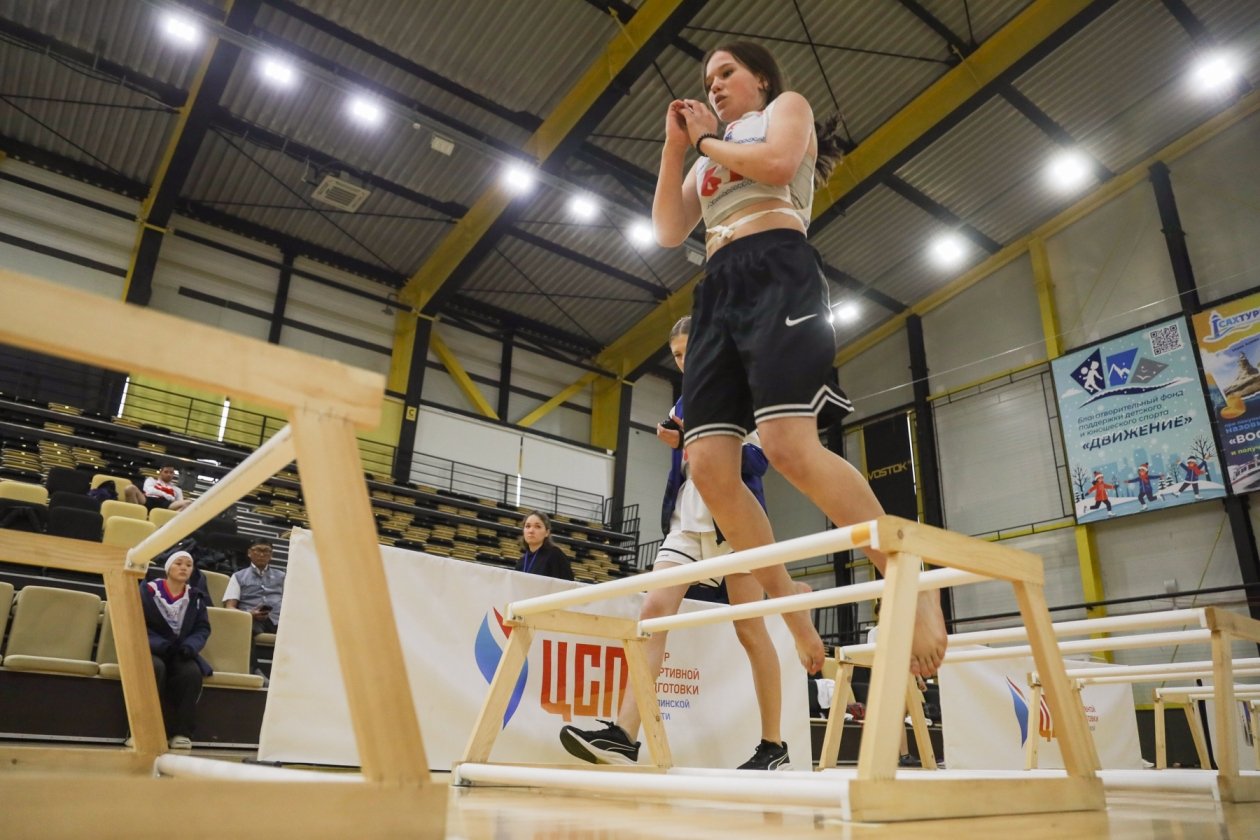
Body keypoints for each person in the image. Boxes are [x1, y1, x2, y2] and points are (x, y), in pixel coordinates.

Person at [652, 41, 946, 678]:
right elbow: (669, 230)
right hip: (717, 288)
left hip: (778, 268)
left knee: (788, 447)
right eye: (707, 79)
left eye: (726, 72)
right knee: (708, 468)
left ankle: (907, 574)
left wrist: (704, 141)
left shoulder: (785, 109)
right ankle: (789, 601)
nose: (714, 86)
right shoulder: (706, 153)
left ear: (759, 77)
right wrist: (677, 148)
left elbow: (779, 164)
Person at [561, 316, 793, 770]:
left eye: (690, 351)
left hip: (736, 523)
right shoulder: (684, 400)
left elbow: (757, 460)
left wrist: (692, 435)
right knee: (652, 614)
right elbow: (685, 466)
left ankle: (774, 745)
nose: (685, 361)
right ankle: (624, 735)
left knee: (750, 630)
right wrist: (677, 439)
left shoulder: (742, 390)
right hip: (685, 523)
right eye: (678, 355)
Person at [138, 550, 212, 749]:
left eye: (188, 565)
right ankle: (142, 732)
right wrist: (159, 644)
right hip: (152, 649)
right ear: (168, 568)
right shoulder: (148, 591)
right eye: (178, 563)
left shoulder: (196, 597)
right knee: (154, 668)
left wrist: (190, 646)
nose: (184, 568)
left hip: (180, 651)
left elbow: (202, 628)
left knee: (191, 673)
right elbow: (137, 622)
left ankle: (181, 732)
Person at [224, 538, 285, 672]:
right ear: (249, 553)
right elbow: (229, 607)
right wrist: (249, 614)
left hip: (278, 619)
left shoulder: (282, 577)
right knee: (243, 628)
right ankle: (253, 670)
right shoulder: (238, 576)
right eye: (258, 550)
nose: (262, 554)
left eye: (266, 551)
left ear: (271, 555)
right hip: (251, 619)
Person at [515, 511, 574, 581]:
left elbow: (567, 584)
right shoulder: (521, 562)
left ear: (547, 532)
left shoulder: (555, 555)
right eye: (528, 526)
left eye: (537, 526)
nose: (531, 531)